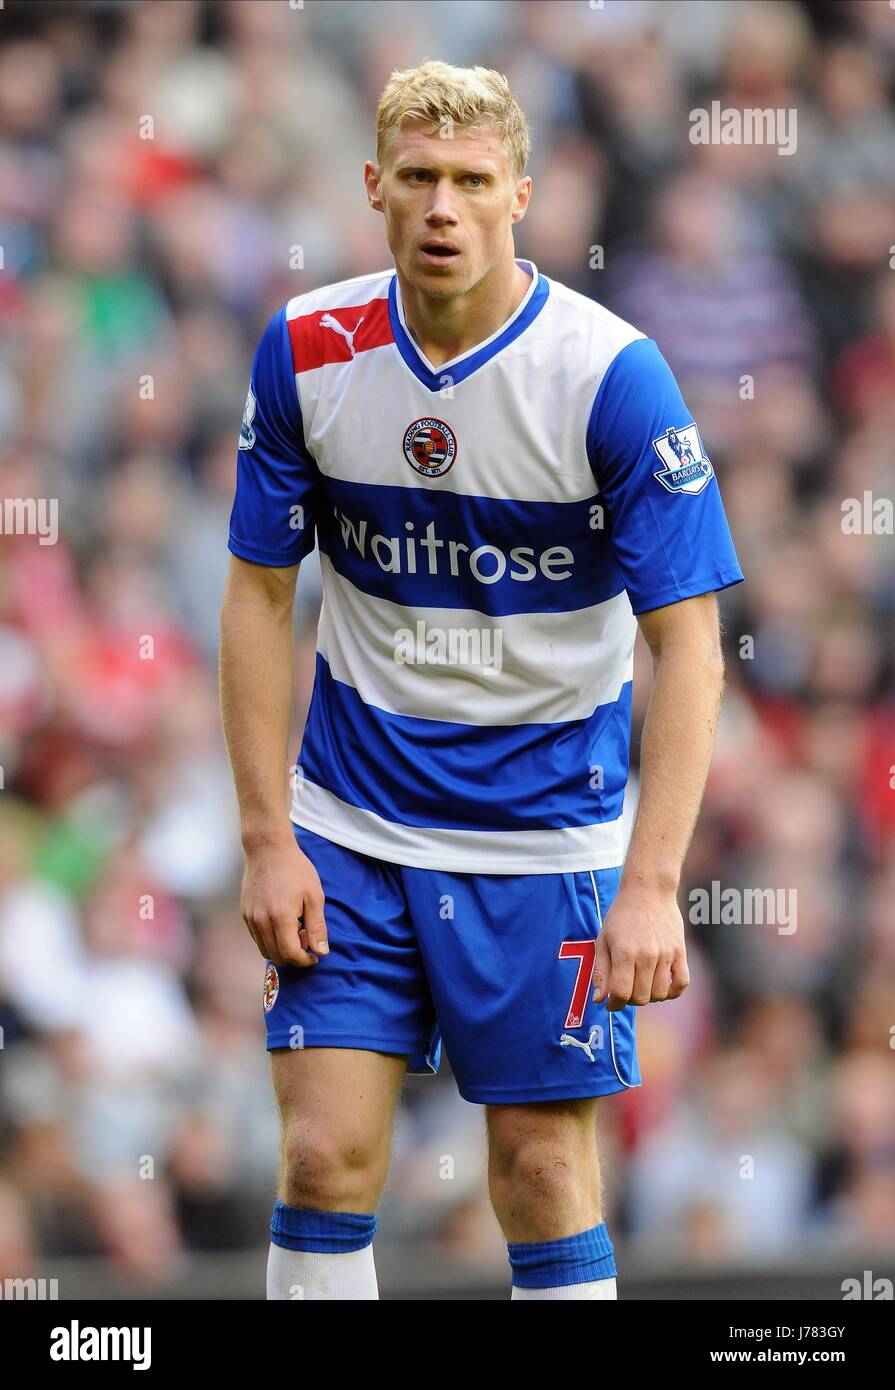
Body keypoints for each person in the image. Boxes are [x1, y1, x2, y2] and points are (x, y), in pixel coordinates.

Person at [219, 59, 744, 1301]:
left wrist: (652, 884)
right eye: (416, 179)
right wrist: (263, 837)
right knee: (322, 1151)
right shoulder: (306, 349)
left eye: (468, 181)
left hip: (541, 836)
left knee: (541, 1176)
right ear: (373, 189)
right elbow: (255, 593)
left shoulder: (613, 376)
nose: (441, 207)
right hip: (351, 820)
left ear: (522, 192)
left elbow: (688, 642)